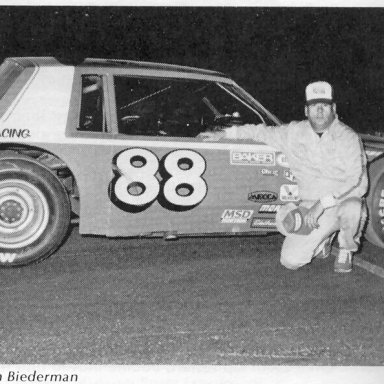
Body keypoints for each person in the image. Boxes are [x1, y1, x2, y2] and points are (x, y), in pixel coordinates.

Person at [201, 81, 368, 273]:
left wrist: (322, 203)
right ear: (306, 111)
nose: (320, 111)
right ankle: (324, 238)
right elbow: (260, 132)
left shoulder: (348, 137)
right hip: (309, 208)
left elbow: (356, 180)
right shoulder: (293, 132)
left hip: (341, 203)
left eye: (325, 105)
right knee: (290, 261)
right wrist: (225, 133)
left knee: (354, 208)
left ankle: (347, 248)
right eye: (314, 106)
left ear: (334, 108)